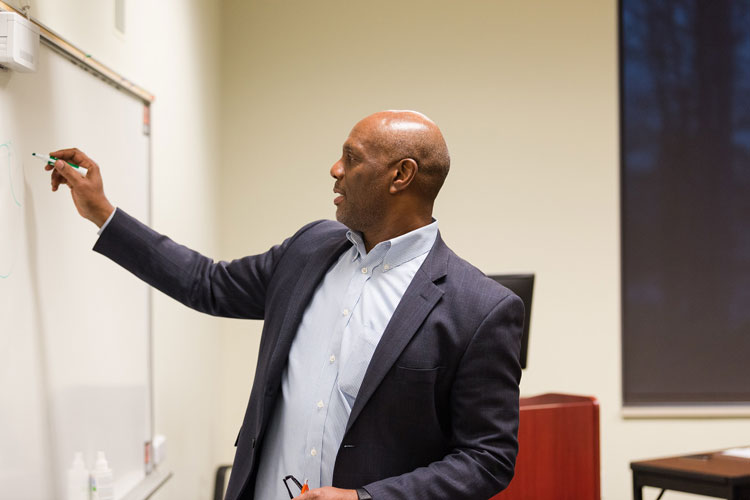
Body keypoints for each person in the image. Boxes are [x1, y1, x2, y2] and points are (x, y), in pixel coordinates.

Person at [46, 110, 524, 500]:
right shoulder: (311, 248)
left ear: (401, 175)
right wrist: (103, 214)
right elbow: (207, 283)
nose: (335, 169)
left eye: (350, 158)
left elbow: (486, 459)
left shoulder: (480, 309)